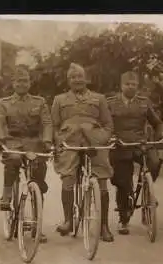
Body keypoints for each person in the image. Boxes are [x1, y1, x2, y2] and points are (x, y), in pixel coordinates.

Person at [51, 63, 114, 242]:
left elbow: (108, 125)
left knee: (101, 180)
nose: (77, 80)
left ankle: (104, 226)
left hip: (94, 142)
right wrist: (58, 142)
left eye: (80, 76)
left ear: (86, 79)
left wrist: (102, 139)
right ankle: (68, 220)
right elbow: (54, 126)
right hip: (69, 142)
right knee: (68, 178)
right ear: (68, 80)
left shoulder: (99, 98)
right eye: (73, 77)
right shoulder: (59, 99)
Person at [0, 65, 52, 244]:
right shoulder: (4, 103)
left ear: (30, 82)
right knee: (14, 159)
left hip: (33, 142)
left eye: (25, 80)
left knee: (38, 181)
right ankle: (7, 194)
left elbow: (47, 122)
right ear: (13, 83)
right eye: (18, 81)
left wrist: (47, 141)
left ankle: (37, 225)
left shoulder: (39, 102)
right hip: (13, 141)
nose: (22, 84)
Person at [107, 71, 163, 235]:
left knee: (154, 162)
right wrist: (110, 137)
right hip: (120, 146)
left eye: (134, 84)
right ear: (121, 86)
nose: (131, 87)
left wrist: (161, 134)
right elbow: (104, 124)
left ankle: (147, 191)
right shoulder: (111, 103)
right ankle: (123, 218)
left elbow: (157, 123)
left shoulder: (144, 103)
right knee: (122, 184)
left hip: (140, 145)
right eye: (128, 84)